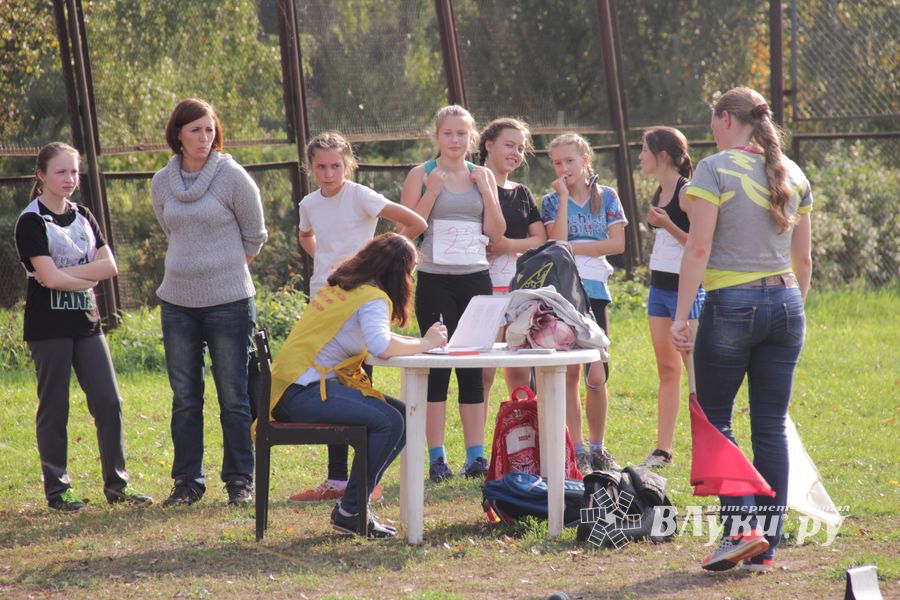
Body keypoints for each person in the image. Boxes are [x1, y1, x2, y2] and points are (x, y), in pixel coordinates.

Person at [671, 87, 813, 573]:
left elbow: (698, 247)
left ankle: (740, 532)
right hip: (788, 302)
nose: (711, 133)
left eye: (713, 124)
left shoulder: (715, 169)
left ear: (728, 119)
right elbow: (804, 258)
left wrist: (682, 315)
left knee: (716, 420)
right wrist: (791, 308)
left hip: (732, 302)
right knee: (770, 425)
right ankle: (765, 547)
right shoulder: (794, 172)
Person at [268, 233, 448, 537]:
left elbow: (373, 339)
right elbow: (380, 345)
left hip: (288, 389)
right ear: (399, 272)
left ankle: (353, 508)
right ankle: (351, 511)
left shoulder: (346, 287)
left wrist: (421, 344)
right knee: (391, 422)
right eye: (411, 273)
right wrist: (426, 342)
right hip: (302, 393)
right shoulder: (374, 298)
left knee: (403, 415)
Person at [288, 131, 427, 504]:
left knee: (360, 386)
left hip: (360, 299)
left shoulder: (361, 196)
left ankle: (365, 480)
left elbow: (414, 223)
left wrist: (378, 257)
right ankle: (336, 481)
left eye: (336, 165)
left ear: (347, 164)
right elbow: (306, 237)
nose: (329, 173)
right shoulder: (309, 203)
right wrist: (331, 265)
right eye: (321, 167)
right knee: (329, 381)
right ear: (310, 167)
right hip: (328, 295)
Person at [14, 142, 152, 511]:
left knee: (109, 401)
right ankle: (59, 490)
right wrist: (75, 276)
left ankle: (118, 485)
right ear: (41, 175)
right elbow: (48, 279)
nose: (69, 179)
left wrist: (65, 275)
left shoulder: (84, 215)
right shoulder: (31, 221)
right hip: (49, 328)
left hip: (87, 324)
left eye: (73, 172)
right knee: (55, 407)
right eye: (60, 172)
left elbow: (110, 267)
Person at [151, 98, 268, 507]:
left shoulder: (232, 176)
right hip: (177, 302)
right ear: (178, 135)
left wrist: (223, 270)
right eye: (195, 130)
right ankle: (188, 482)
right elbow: (170, 227)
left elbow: (255, 236)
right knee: (185, 397)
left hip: (230, 302)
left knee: (233, 395)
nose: (205, 137)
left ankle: (240, 481)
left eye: (210, 129)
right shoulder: (162, 181)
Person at [400, 105, 506, 482]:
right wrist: (430, 194)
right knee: (438, 366)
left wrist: (487, 193)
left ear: (471, 137)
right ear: (437, 136)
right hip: (435, 278)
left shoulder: (483, 175)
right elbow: (406, 230)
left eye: (462, 134)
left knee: (472, 366)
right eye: (448, 133)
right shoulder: (422, 174)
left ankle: (476, 457)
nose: (455, 140)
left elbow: (496, 231)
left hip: (475, 278)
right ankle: (437, 458)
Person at [542, 133, 627, 475]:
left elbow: (617, 243)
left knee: (597, 373)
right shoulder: (550, 201)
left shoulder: (606, 197)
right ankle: (578, 449)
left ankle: (598, 446)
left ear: (585, 159)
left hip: (596, 291)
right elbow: (556, 241)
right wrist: (563, 200)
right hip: (564, 292)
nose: (564, 169)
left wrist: (574, 247)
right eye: (557, 163)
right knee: (571, 373)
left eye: (570, 161)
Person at [636, 127, 705, 469]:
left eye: (644, 150)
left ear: (662, 155)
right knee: (667, 369)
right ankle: (663, 450)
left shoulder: (687, 192)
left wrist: (668, 225)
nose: (639, 157)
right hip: (658, 290)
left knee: (696, 373)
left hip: (685, 291)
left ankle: (706, 445)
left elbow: (701, 244)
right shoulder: (658, 192)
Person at [478, 118, 547, 409]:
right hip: (482, 287)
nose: (515, 153)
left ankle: (524, 446)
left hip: (518, 290)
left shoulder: (522, 192)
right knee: (483, 374)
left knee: (520, 373)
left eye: (520, 148)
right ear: (488, 145)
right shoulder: (472, 184)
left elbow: (540, 239)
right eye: (509, 145)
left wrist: (507, 246)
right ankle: (476, 453)